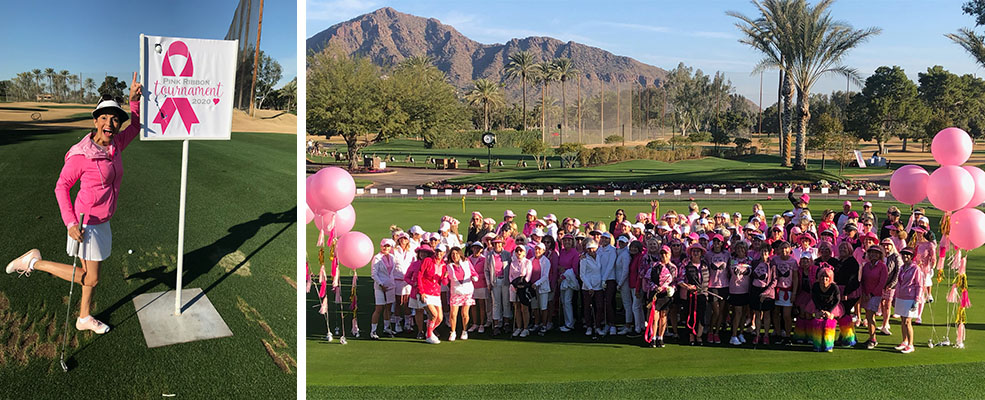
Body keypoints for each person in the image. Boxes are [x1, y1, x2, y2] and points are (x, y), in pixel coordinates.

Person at [6, 74, 143, 335]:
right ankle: (34, 263)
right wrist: (70, 222)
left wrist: (133, 101)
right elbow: (61, 187)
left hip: (103, 221)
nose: (110, 123)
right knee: (90, 277)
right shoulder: (82, 154)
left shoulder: (115, 145)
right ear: (95, 121)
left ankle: (83, 317)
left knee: (90, 277)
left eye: (115, 118)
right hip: (84, 223)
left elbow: (135, 127)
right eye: (104, 117)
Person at [644, 244, 677, 348]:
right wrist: (655, 287)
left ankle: (660, 338)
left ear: (669, 255)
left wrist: (669, 289)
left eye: (665, 254)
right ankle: (653, 337)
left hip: (666, 294)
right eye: (662, 253)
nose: (663, 256)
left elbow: (675, 282)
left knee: (663, 316)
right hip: (655, 294)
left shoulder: (673, 268)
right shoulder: (654, 266)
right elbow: (648, 279)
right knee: (654, 317)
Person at [679, 244, 710, 345]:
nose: (696, 253)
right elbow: (680, 279)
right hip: (690, 295)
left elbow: (707, 279)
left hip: (703, 294)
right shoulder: (686, 264)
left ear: (701, 253)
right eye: (694, 251)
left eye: (698, 251)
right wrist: (688, 287)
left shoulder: (705, 264)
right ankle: (691, 335)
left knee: (701, 315)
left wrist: (703, 290)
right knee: (690, 315)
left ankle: (699, 336)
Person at [894, 247, 923, 354]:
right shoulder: (902, 268)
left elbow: (919, 285)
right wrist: (895, 296)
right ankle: (904, 341)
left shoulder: (916, 269)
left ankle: (911, 344)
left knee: (907, 321)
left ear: (911, 256)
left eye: (908, 254)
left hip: (910, 298)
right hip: (901, 297)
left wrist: (917, 300)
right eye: (904, 254)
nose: (905, 256)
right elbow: (898, 283)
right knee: (902, 321)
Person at [446, 245, 478, 341]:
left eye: (456, 254)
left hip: (467, 291)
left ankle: (464, 331)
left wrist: (474, 278)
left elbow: (474, 273)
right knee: (453, 314)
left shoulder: (466, 263)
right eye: (452, 254)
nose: (454, 256)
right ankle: (453, 332)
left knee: (465, 313)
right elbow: (445, 281)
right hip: (455, 291)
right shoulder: (448, 266)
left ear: (460, 254)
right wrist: (444, 276)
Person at [418, 244, 448, 344]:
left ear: (444, 253)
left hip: (436, 293)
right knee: (433, 315)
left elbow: (444, 282)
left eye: (441, 252)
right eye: (437, 251)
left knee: (439, 318)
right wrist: (421, 291)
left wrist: (445, 277)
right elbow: (420, 275)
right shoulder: (428, 261)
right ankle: (429, 335)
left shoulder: (444, 265)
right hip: (425, 292)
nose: (439, 253)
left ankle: (428, 333)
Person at [749, 242, 778, 345]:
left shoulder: (772, 265)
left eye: (765, 251)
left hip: (767, 292)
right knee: (757, 314)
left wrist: (766, 292)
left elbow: (774, 280)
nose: (763, 253)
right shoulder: (755, 263)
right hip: (755, 290)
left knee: (766, 314)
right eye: (762, 251)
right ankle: (757, 334)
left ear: (769, 253)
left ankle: (765, 335)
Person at [860, 245, 888, 349]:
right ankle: (872, 337)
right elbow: (863, 280)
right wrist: (864, 293)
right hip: (866, 294)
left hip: (875, 295)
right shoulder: (866, 265)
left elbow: (882, 283)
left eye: (876, 253)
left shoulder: (882, 266)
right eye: (871, 252)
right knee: (868, 316)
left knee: (870, 317)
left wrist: (871, 294)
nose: (873, 255)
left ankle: (873, 339)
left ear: (880, 255)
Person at [835, 241, 861, 347]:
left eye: (844, 249)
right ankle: (846, 337)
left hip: (849, 291)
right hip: (840, 289)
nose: (842, 251)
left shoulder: (852, 262)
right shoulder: (839, 261)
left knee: (845, 314)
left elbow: (852, 279)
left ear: (849, 250)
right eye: (841, 249)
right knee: (843, 314)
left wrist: (846, 292)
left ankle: (849, 339)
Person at [705, 234, 730, 344]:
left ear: (722, 243)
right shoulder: (708, 255)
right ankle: (710, 331)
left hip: (724, 285)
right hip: (712, 285)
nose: (716, 244)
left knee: (721, 311)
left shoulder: (726, 254)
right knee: (716, 311)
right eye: (714, 242)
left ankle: (716, 333)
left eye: (718, 242)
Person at [484, 238, 512, 335]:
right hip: (495, 281)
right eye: (495, 244)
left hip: (505, 281)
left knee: (506, 302)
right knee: (496, 303)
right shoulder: (489, 256)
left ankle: (506, 323)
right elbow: (486, 271)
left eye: (499, 244)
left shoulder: (507, 255)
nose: (497, 246)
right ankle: (496, 324)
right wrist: (488, 283)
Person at [811, 267, 842, 352]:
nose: (824, 279)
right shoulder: (816, 286)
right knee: (818, 320)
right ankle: (817, 344)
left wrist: (829, 311)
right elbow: (814, 298)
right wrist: (819, 310)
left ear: (830, 278)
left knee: (829, 322)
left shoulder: (834, 287)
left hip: (831, 307)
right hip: (819, 306)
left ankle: (828, 345)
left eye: (826, 277)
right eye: (822, 276)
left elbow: (837, 300)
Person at [728, 241, 753, 345]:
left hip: (746, 289)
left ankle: (741, 333)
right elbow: (731, 273)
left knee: (744, 313)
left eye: (742, 249)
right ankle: (733, 335)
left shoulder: (750, 261)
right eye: (738, 249)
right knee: (737, 313)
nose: (740, 251)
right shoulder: (732, 260)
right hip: (735, 289)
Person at [370, 239, 396, 339]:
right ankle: (373, 330)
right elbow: (374, 274)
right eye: (384, 246)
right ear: (381, 246)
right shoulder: (377, 258)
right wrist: (381, 284)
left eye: (388, 246)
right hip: (380, 287)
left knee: (388, 308)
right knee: (379, 308)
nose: (386, 248)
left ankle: (386, 328)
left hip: (390, 286)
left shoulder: (392, 257)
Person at [392, 232, 416, 332]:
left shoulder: (411, 252)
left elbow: (414, 265)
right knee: (398, 302)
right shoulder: (394, 251)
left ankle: (407, 323)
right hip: (397, 280)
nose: (403, 240)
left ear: (408, 240)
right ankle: (397, 323)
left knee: (407, 302)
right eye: (401, 239)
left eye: (405, 239)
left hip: (408, 281)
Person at [580, 239, 605, 336]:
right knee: (587, 307)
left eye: (593, 248)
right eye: (589, 249)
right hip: (587, 287)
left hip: (598, 286)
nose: (591, 251)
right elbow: (582, 275)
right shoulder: (584, 259)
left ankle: (597, 326)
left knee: (599, 307)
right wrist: (589, 287)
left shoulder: (599, 257)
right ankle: (589, 326)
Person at [878, 238, 902, 335]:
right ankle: (884, 322)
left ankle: (885, 324)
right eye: (884, 245)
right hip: (880, 285)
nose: (886, 247)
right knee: (882, 303)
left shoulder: (896, 256)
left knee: (887, 304)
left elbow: (898, 271)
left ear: (892, 246)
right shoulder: (880, 256)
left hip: (890, 285)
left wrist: (891, 284)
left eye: (888, 245)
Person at [558, 234, 581, 332]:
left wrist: (564, 274)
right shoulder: (562, 252)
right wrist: (561, 269)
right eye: (565, 240)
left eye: (569, 240)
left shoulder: (575, 253)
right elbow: (558, 265)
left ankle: (569, 324)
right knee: (564, 301)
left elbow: (574, 269)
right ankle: (567, 321)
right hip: (562, 279)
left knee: (567, 301)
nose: (567, 242)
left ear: (572, 242)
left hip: (569, 280)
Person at [509, 246, 533, 337]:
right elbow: (510, 276)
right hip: (514, 288)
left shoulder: (528, 262)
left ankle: (525, 328)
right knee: (517, 307)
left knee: (524, 308)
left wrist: (522, 285)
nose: (519, 252)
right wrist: (513, 285)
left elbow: (528, 276)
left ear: (524, 253)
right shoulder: (512, 263)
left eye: (521, 251)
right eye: (517, 251)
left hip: (524, 287)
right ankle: (519, 327)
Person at [597, 233, 619, 335]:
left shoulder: (613, 250)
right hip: (600, 279)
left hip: (610, 279)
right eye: (603, 238)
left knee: (609, 302)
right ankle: (606, 323)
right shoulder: (599, 250)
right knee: (602, 302)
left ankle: (613, 324)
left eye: (606, 238)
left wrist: (604, 280)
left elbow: (610, 266)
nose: (604, 240)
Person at [467, 242, 489, 333]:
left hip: (481, 285)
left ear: (481, 249)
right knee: (473, 306)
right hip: (471, 285)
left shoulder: (484, 259)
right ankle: (475, 323)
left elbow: (486, 271)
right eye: (474, 248)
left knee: (481, 305)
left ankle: (481, 324)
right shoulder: (468, 259)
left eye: (478, 248)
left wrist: (479, 277)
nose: (476, 250)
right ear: (472, 249)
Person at [530, 243, 552, 334]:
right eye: (536, 249)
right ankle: (536, 324)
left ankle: (544, 325)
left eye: (539, 249)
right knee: (535, 307)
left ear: (543, 251)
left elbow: (545, 276)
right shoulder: (531, 260)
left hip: (542, 288)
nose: (537, 251)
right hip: (533, 288)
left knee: (543, 307)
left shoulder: (546, 261)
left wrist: (537, 283)